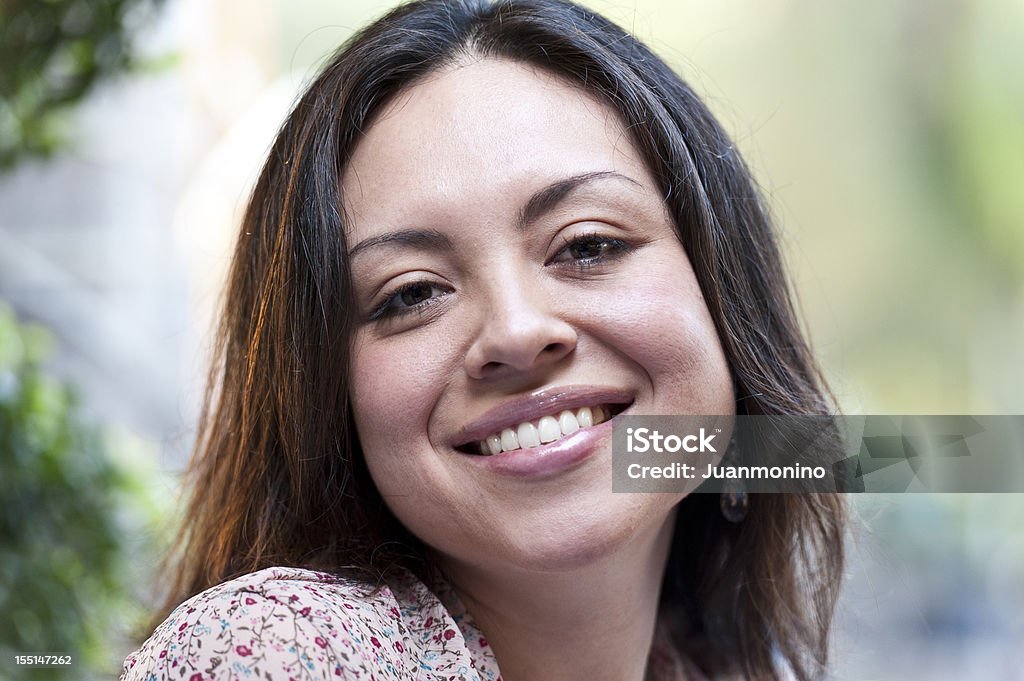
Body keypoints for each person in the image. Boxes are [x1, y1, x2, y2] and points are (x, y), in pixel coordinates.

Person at [122, 1, 845, 679]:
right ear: (324, 393)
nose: (517, 332)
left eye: (587, 245)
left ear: (723, 287)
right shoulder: (282, 649)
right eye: (412, 292)